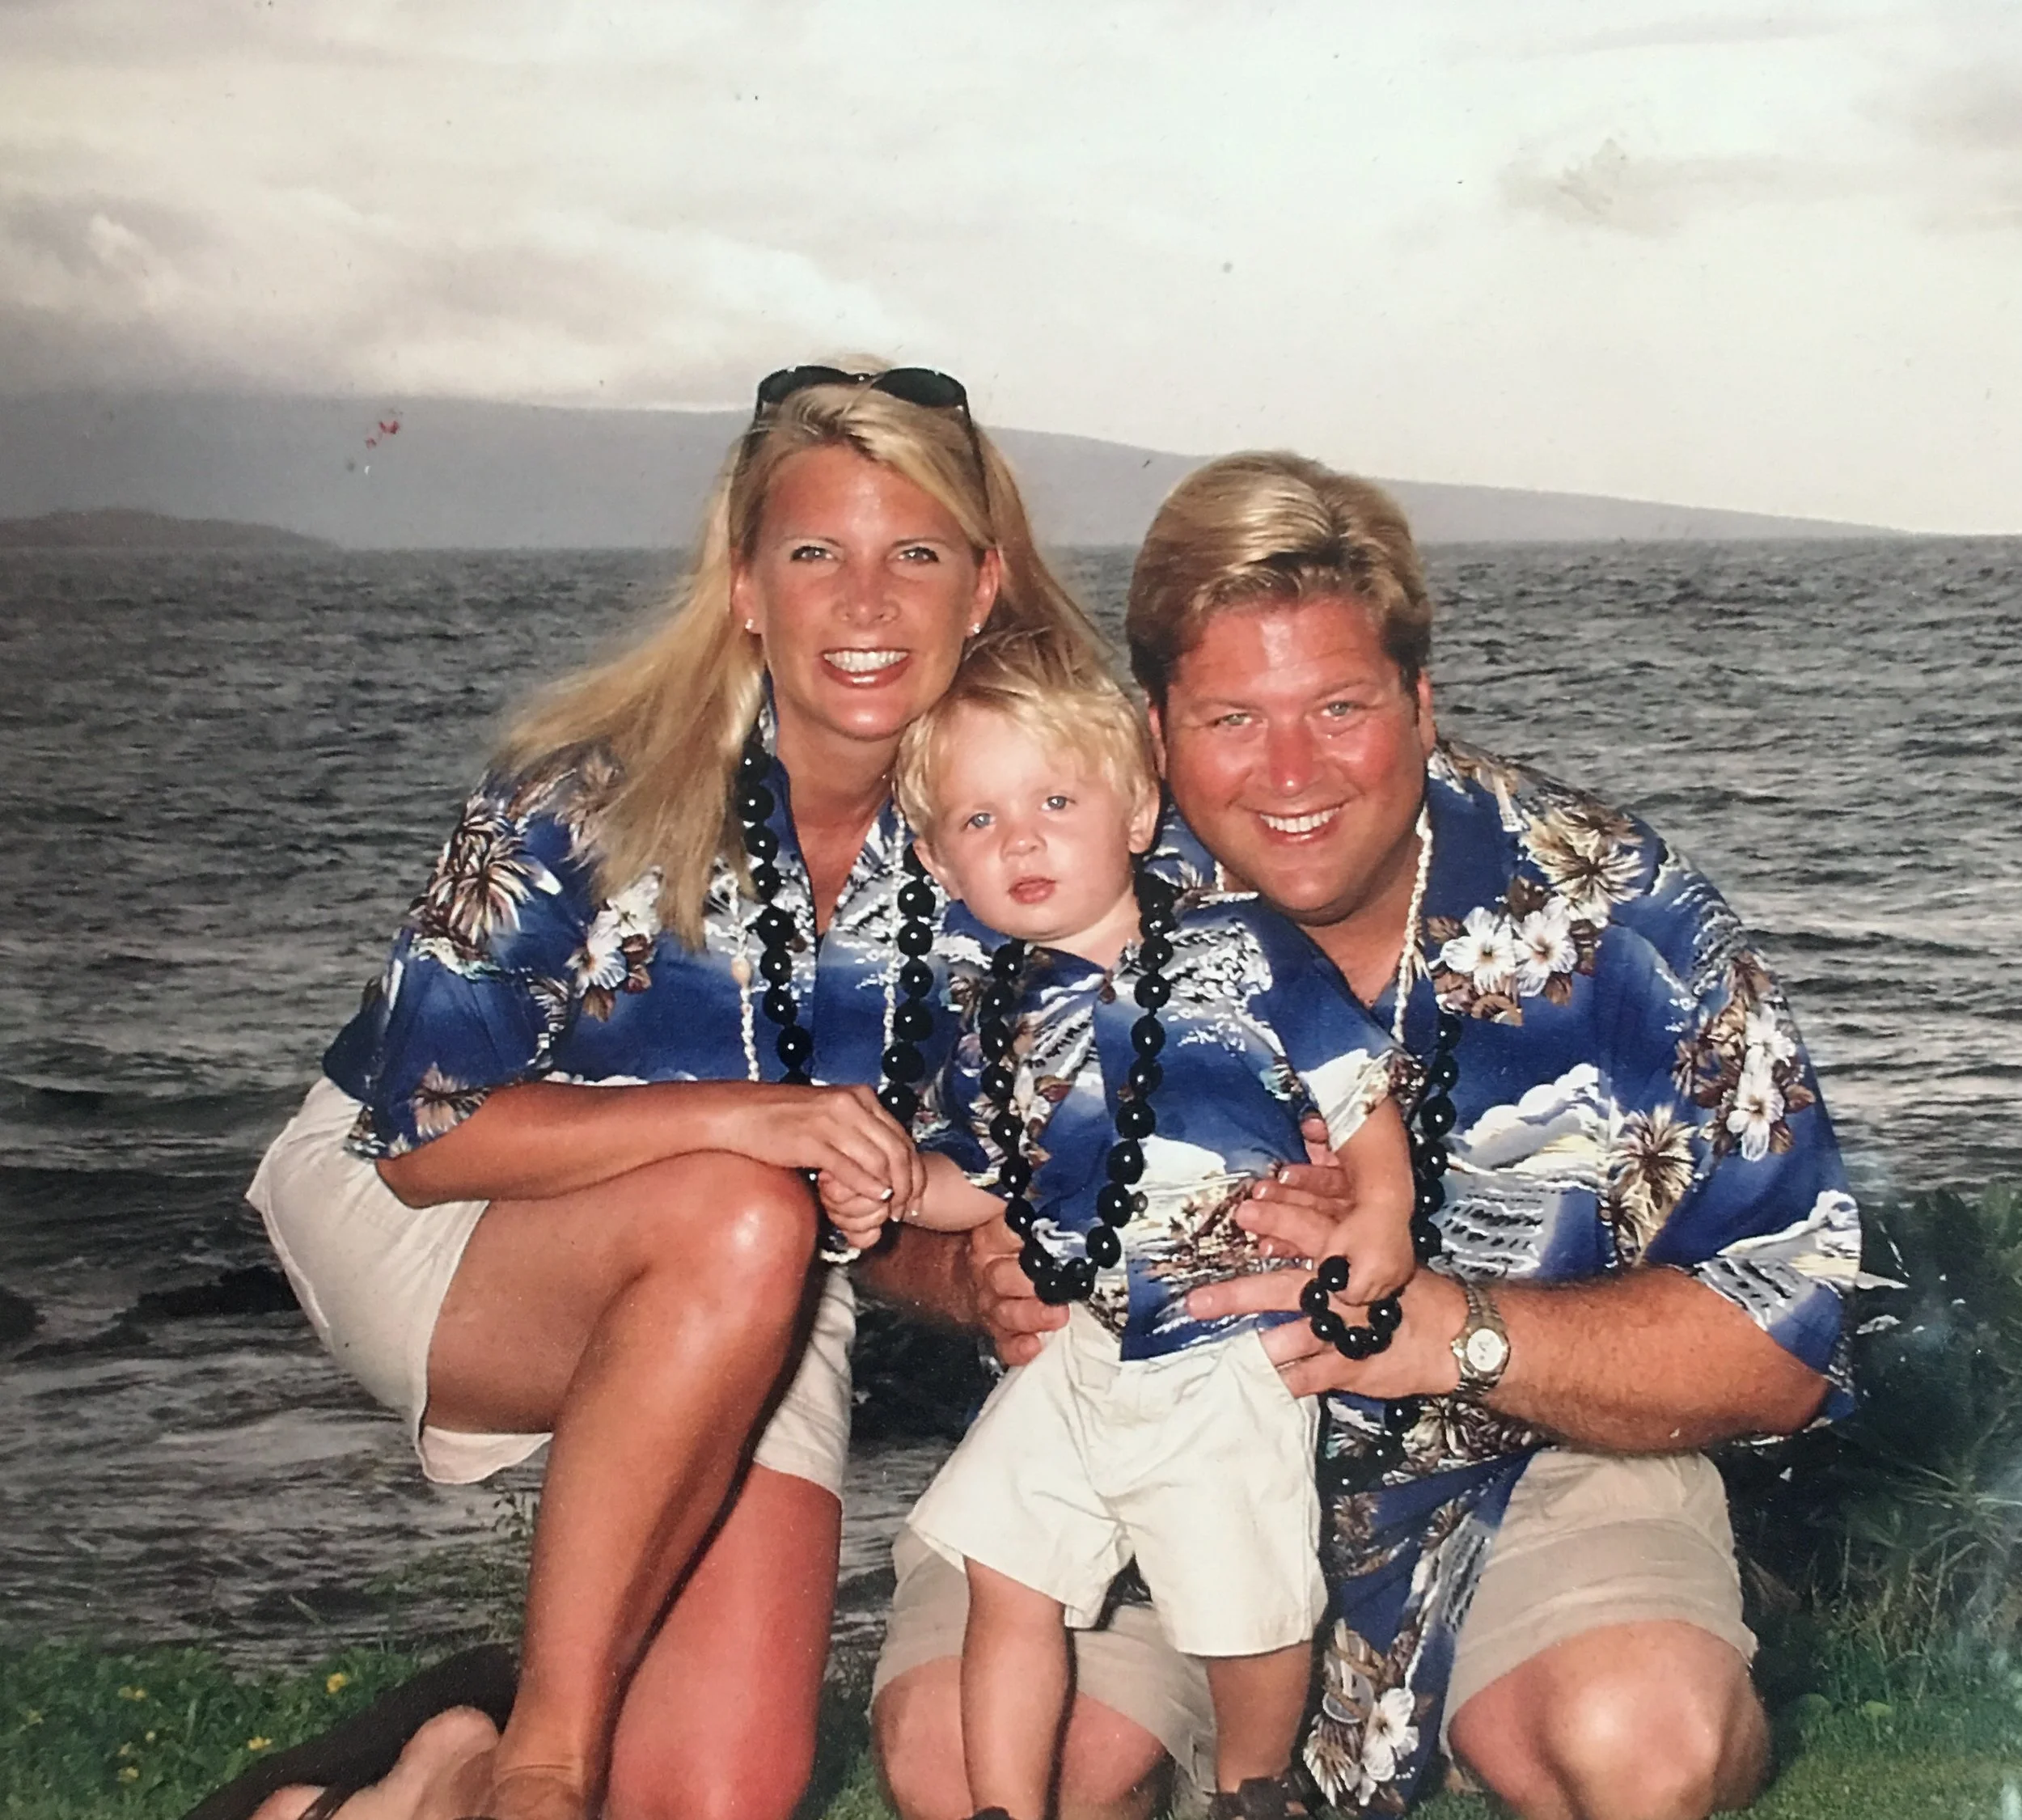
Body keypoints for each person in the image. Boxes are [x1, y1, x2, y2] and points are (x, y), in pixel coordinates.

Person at [869, 453, 1859, 1820]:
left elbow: (1789, 1332)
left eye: (1340, 706)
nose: (1291, 771)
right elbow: (879, 1214)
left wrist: (1450, 1330)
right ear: (1153, 730)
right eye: (1231, 716)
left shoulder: (1616, 915)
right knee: (964, 1756)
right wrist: (967, 1275)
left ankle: (1509, 1685)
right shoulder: (1045, 877)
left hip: (1519, 1474)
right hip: (1140, 1439)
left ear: (1420, 701)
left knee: (1641, 1734)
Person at [234, 363, 1110, 1820]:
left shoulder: (1013, 851)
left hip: (749, 1269)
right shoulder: (587, 790)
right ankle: (543, 1764)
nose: (869, 601)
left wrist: (992, 1279)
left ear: (985, 584)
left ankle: (425, 1770)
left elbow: (882, 1199)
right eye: (816, 552)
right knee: (740, 1210)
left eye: (917, 553)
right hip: (435, 1212)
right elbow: (424, 1133)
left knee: (716, 1798)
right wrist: (740, 1117)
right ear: (746, 583)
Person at [823, 637, 1415, 1820]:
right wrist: (892, 1190)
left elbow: (1359, 1093)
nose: (1023, 839)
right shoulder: (1000, 1020)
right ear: (940, 860)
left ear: (1137, 808)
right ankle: (1005, 1804)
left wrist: (1384, 1212)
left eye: (1054, 800)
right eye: (979, 822)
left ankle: (1254, 1785)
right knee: (1006, 1562)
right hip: (1085, 1352)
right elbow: (984, 1184)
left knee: (1247, 1606)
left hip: (1218, 1348)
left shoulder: (1247, 949)